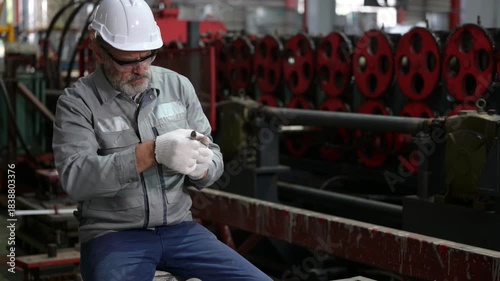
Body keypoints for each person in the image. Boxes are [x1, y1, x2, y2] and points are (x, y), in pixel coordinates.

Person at [52, 0, 272, 280]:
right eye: (128, 60)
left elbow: (214, 156)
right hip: (114, 236)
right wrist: (152, 153)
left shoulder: (178, 86)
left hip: (180, 229)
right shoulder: (77, 103)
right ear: (97, 49)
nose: (141, 69)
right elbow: (76, 178)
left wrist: (204, 166)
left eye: (148, 57)